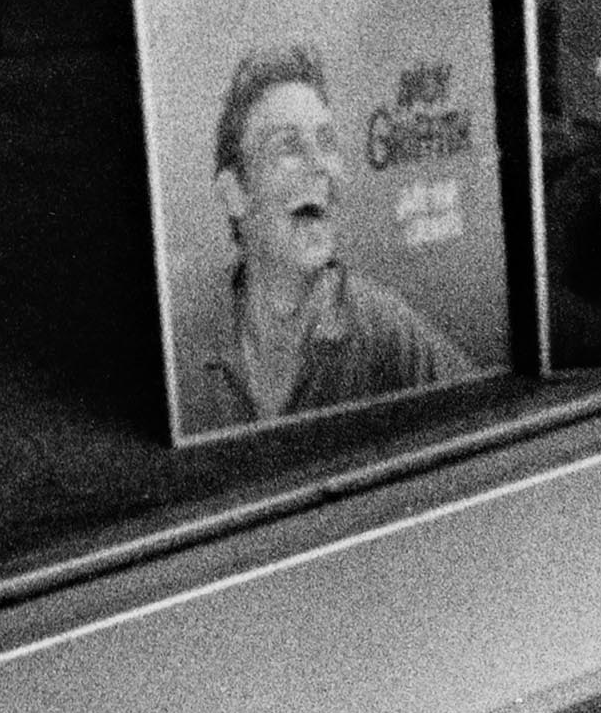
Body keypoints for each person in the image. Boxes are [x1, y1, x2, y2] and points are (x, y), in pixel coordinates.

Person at [173, 43, 481, 435]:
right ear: (234, 192)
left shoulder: (384, 330)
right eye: (287, 146)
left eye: (327, 142)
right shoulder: (186, 332)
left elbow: (484, 423)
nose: (321, 166)